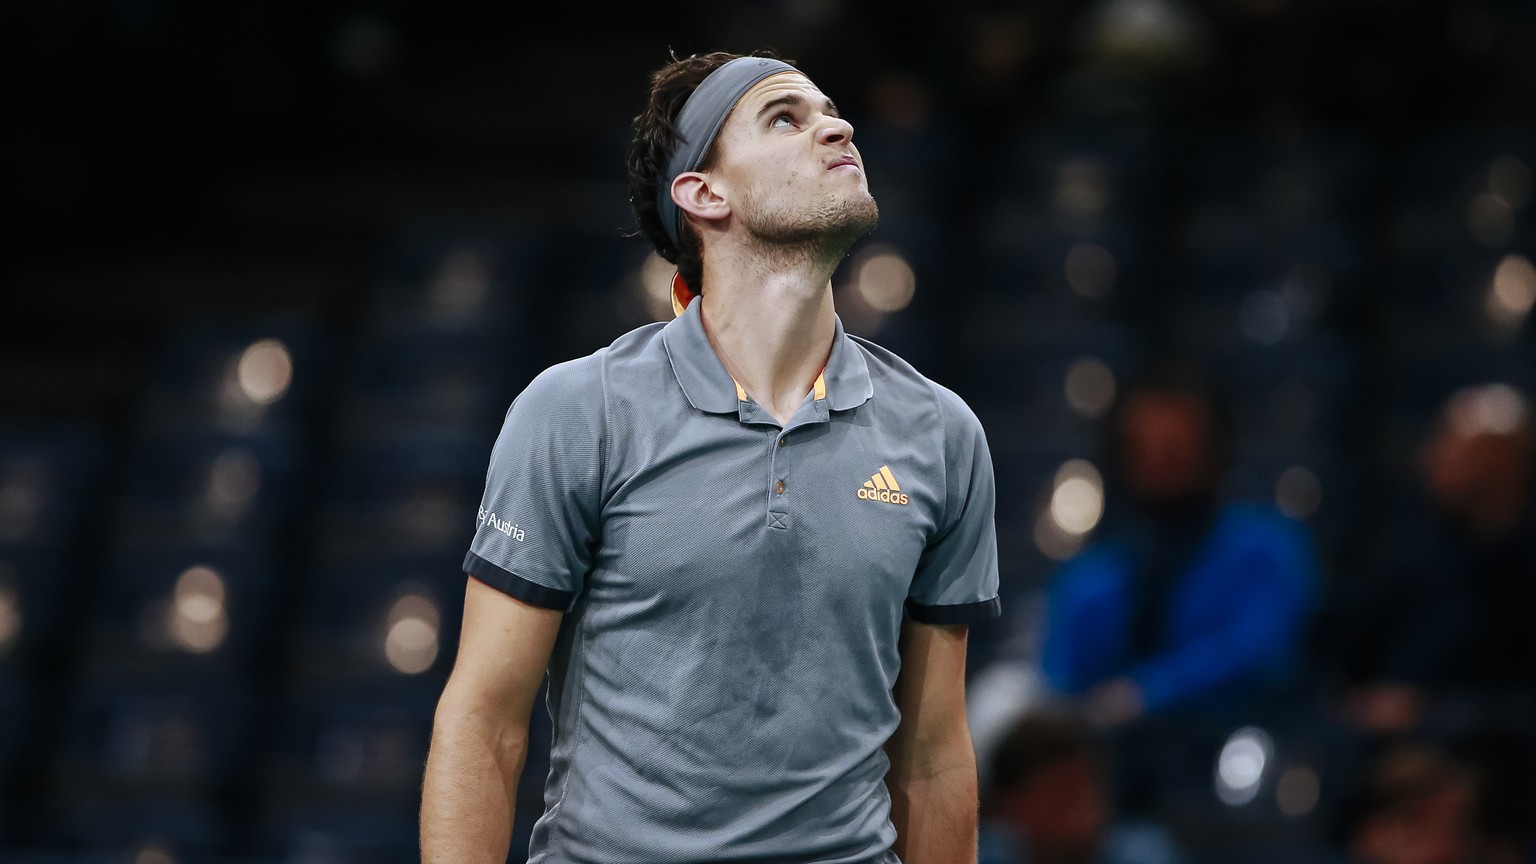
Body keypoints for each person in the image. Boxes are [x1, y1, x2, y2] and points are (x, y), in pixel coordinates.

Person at [420, 49, 1001, 864]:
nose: (836, 127)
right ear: (703, 193)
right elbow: (482, 725)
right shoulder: (576, 413)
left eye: (830, 111)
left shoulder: (943, 434)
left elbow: (935, 760)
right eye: (785, 118)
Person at [978, 710, 1190, 864]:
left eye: (1091, 788)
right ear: (1011, 803)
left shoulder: (1145, 853)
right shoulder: (977, 853)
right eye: (1064, 793)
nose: (1086, 806)